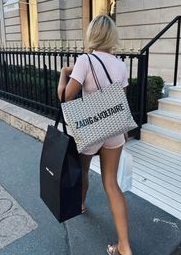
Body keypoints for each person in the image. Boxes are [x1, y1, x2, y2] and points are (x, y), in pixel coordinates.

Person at [57, 14, 133, 255]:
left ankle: (79, 204)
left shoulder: (84, 60)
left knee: (83, 169)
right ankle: (124, 246)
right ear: (111, 36)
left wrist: (63, 75)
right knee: (111, 183)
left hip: (91, 127)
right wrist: (125, 131)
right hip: (113, 129)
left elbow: (65, 97)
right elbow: (121, 100)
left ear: (92, 35)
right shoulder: (120, 64)